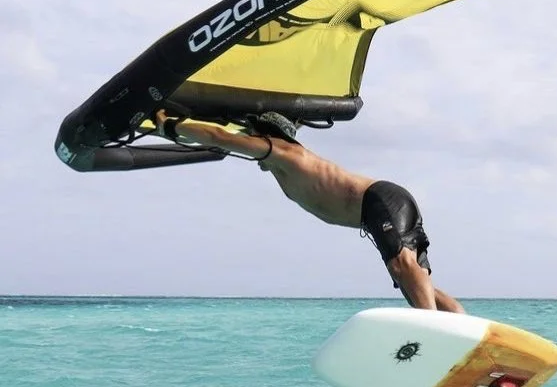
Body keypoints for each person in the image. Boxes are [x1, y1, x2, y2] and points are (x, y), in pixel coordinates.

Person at [153, 109, 464, 313]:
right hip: (375, 213)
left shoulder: (286, 152)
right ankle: (469, 332)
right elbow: (216, 142)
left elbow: (220, 137)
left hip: (380, 200)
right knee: (415, 287)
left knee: (404, 267)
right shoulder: (280, 168)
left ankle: (433, 332)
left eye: (251, 134)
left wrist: (169, 125)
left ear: (265, 135)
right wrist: (178, 130)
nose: (246, 140)